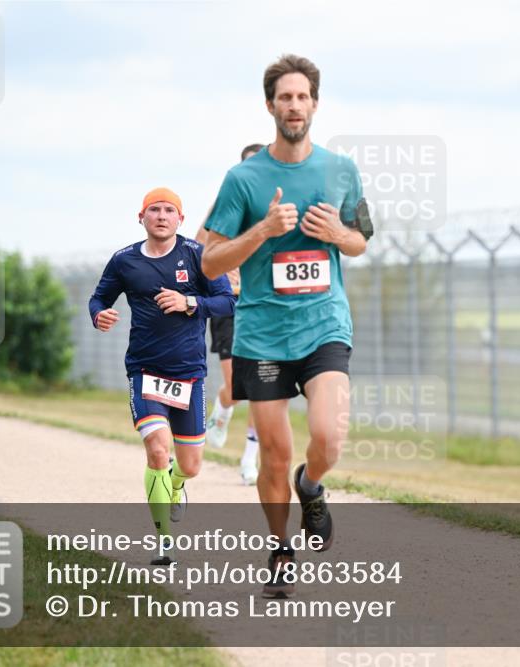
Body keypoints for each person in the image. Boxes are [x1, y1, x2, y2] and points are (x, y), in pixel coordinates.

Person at [201, 54, 372, 598]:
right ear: (270, 105)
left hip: (324, 325)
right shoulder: (243, 179)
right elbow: (208, 261)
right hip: (262, 335)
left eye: (303, 97)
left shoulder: (341, 170)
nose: (294, 106)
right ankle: (280, 548)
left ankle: (312, 485)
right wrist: (262, 230)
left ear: (315, 105)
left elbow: (362, 239)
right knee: (272, 451)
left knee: (328, 434)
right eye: (285, 97)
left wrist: (337, 235)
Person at [90, 187, 236, 565]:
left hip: (189, 374)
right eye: (153, 209)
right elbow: (99, 298)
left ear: (180, 220)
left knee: (190, 466)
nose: (161, 215)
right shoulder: (124, 261)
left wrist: (189, 302)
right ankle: (164, 542)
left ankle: (176, 486)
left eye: (169, 210)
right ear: (141, 217)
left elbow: (226, 300)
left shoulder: (197, 256)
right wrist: (98, 314)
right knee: (157, 449)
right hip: (145, 370)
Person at [196, 142, 264, 485]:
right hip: (230, 303)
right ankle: (222, 411)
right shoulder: (226, 205)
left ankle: (249, 459)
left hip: (265, 304)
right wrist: (222, 269)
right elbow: (200, 249)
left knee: (263, 384)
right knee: (238, 385)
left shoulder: (275, 208)